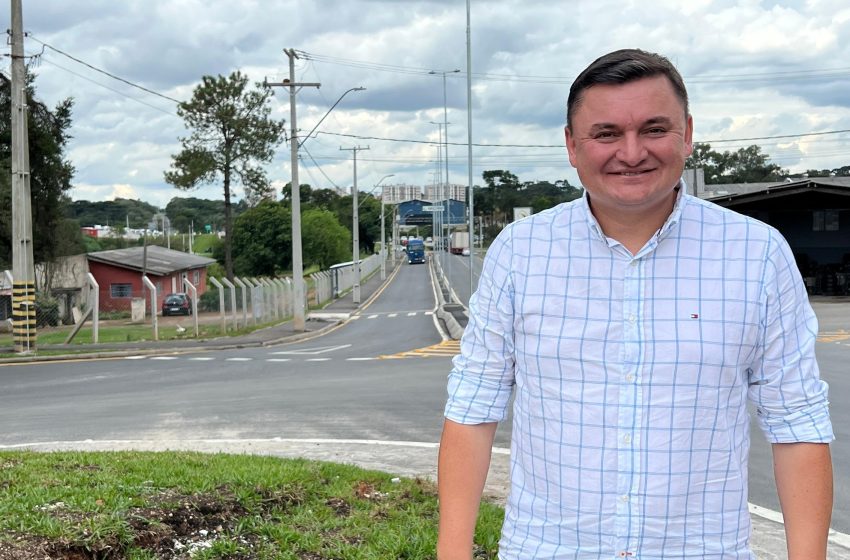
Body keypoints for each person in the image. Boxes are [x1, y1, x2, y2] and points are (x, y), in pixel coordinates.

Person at [437, 48, 833, 559]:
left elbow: (797, 421)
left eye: (653, 129)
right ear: (571, 146)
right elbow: (472, 408)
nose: (631, 152)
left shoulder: (757, 255)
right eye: (606, 134)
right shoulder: (520, 252)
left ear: (687, 133)